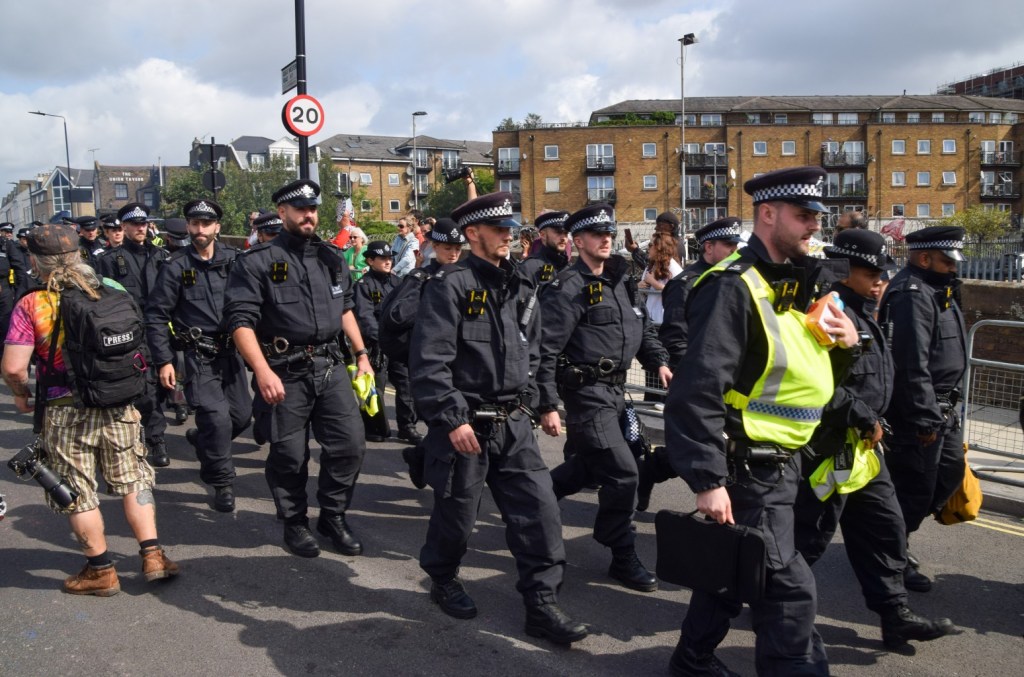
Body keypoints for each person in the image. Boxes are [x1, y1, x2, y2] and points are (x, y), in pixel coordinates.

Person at [664, 166, 860, 677]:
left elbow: (810, 374)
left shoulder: (802, 282)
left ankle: (691, 660)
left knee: (734, 571)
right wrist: (707, 480)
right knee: (789, 592)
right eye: (803, 216)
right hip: (747, 466)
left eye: (817, 216)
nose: (814, 226)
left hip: (789, 462)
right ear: (768, 214)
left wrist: (848, 346)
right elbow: (697, 388)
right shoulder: (733, 287)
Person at [410, 191, 587, 645]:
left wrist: (541, 401)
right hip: (466, 426)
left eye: (511, 228)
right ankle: (444, 576)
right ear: (473, 234)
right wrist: (452, 419)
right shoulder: (449, 286)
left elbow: (535, 350)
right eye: (500, 229)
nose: (509, 236)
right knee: (457, 517)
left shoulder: (519, 286)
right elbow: (430, 363)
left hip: (512, 424)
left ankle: (542, 605)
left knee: (540, 512)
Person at [792, 228, 957, 649]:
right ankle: (771, 609)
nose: (882, 279)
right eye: (872, 272)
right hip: (828, 449)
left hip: (864, 450)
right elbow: (818, 382)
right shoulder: (826, 311)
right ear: (847, 268)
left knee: (886, 529)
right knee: (805, 540)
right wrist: (863, 415)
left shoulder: (865, 309)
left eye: (884, 271)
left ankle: (894, 615)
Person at [1, 223, 179, 596]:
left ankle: (101, 570)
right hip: (119, 401)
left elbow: (15, 366)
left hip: (66, 408)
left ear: (35, 261)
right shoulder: (110, 288)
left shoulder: (32, 303)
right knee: (134, 478)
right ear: (78, 254)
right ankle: (153, 555)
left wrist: (20, 394)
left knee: (77, 489)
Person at [225, 178, 372, 559]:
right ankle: (294, 522)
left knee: (350, 446)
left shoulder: (331, 257)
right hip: (284, 369)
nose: (309, 215)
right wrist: (262, 370)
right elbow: (241, 322)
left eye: (313, 209)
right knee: (290, 455)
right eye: (301, 209)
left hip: (330, 366)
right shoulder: (257, 262)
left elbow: (346, 309)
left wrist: (361, 355)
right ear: (284, 212)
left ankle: (333, 516)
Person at [536, 203, 671, 594]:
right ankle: (620, 551)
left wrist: (658, 362)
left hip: (616, 393)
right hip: (585, 394)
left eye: (609, 233)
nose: (607, 238)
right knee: (623, 472)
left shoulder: (620, 280)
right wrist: (547, 403)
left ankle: (531, 503)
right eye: (597, 234)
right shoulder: (567, 288)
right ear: (578, 242)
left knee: (588, 469)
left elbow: (641, 327)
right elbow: (545, 351)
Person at [146, 199, 252, 513]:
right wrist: (164, 360)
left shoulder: (235, 261)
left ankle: (204, 439)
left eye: (206, 223)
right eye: (195, 223)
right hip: (198, 355)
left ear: (217, 227)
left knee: (240, 418)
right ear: (189, 226)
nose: (200, 229)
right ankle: (222, 481)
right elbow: (155, 315)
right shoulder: (176, 266)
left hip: (231, 354)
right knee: (218, 420)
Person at [879, 225, 967, 592]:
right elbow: (911, 363)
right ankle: (892, 559)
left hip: (944, 410)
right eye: (947, 260)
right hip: (921, 414)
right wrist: (924, 416)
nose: (953, 267)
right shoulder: (912, 294)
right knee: (914, 489)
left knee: (949, 474)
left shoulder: (939, 290)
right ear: (924, 257)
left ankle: (896, 538)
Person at [636, 217, 743, 511]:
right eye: (729, 245)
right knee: (702, 443)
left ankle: (653, 470)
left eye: (737, 245)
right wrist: (698, 377)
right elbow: (676, 337)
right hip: (700, 380)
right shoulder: (687, 283)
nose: (736, 252)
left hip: (731, 380)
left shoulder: (733, 280)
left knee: (721, 445)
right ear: (709, 247)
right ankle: (653, 472)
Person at [380, 218, 465, 489]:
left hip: (459, 361)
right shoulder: (422, 278)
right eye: (447, 247)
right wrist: (431, 296)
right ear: (433, 247)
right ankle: (443, 481)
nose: (453, 253)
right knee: (446, 422)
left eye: (457, 248)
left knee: (452, 423)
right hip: (429, 362)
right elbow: (396, 316)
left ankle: (419, 457)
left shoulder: (463, 276)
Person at [96, 203, 171, 468]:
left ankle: (149, 426)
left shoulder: (162, 256)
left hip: (162, 331)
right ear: (123, 227)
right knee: (146, 388)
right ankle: (156, 439)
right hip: (131, 335)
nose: (141, 228)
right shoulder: (108, 261)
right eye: (134, 224)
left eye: (144, 223)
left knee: (164, 387)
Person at [353, 240, 420, 444]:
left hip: (398, 345)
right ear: (371, 260)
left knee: (406, 386)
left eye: (390, 258)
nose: (388, 261)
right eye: (382, 258)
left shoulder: (398, 282)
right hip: (377, 345)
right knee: (376, 389)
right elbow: (365, 317)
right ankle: (376, 426)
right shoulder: (363, 285)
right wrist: (380, 338)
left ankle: (407, 426)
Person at [517, 211, 570, 286]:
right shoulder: (529, 268)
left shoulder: (569, 269)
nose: (564, 238)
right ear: (542, 235)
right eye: (558, 232)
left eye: (566, 233)